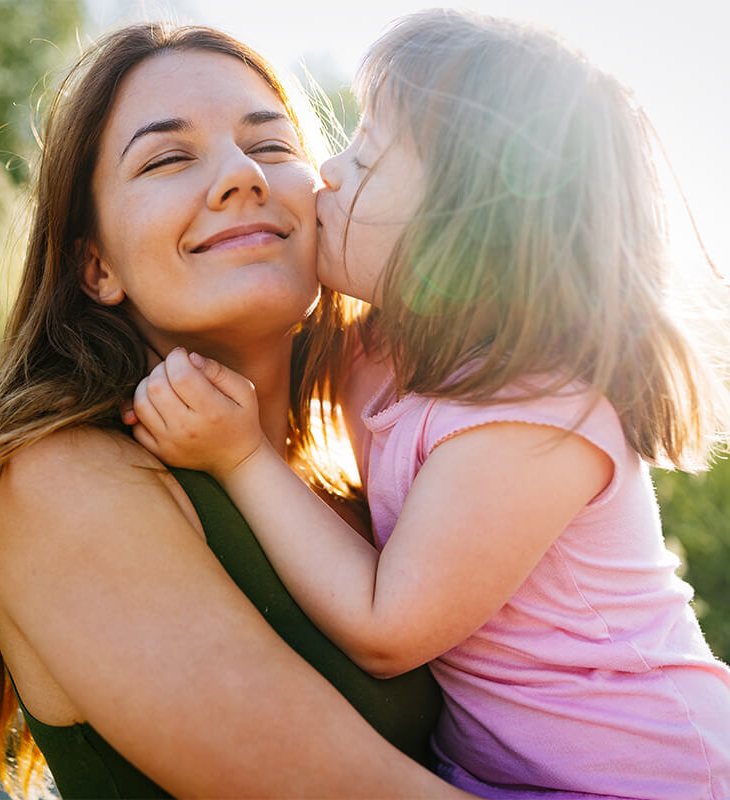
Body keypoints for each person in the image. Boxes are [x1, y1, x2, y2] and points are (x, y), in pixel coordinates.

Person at [124, 9, 730, 800]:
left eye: (366, 157)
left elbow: (387, 629)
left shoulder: (532, 414)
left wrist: (240, 457)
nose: (327, 171)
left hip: (655, 777)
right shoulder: (381, 351)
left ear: (466, 230)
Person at [0, 22, 478, 800]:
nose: (242, 176)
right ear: (97, 266)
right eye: (168, 158)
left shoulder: (374, 487)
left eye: (272, 146)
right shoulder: (58, 481)